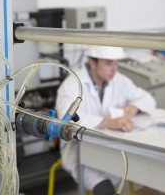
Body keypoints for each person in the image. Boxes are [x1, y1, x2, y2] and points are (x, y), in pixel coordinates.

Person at [55, 45, 156, 195]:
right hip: (81, 154)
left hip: (113, 150)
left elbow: (148, 99)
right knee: (105, 189)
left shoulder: (119, 80)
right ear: (92, 63)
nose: (114, 69)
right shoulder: (72, 84)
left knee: (148, 169)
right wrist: (108, 122)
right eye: (108, 63)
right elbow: (66, 117)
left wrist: (134, 106)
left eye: (116, 63)